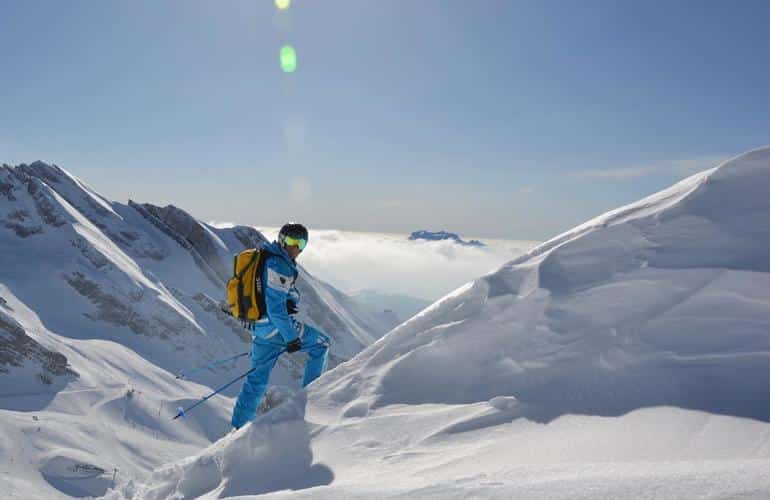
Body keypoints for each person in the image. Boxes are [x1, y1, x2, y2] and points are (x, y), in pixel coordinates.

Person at [231, 222, 331, 429]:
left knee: (256, 381)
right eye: (292, 241)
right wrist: (291, 337)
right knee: (322, 345)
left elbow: (266, 293)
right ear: (282, 239)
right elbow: (276, 309)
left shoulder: (264, 255)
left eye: (301, 242)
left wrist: (288, 300)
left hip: (259, 326)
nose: (296, 247)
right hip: (275, 326)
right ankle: (309, 402)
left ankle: (237, 427)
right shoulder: (280, 265)